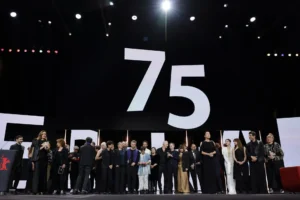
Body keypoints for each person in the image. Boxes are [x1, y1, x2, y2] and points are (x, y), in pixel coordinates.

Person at [31, 130, 50, 195]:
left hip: (44, 160)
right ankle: (35, 190)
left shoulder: (47, 141)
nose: (45, 135)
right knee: (37, 175)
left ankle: (42, 190)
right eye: (44, 134)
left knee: (43, 175)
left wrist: (46, 147)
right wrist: (42, 146)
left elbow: (48, 150)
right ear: (41, 134)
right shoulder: (36, 140)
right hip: (38, 159)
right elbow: (36, 149)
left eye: (45, 134)